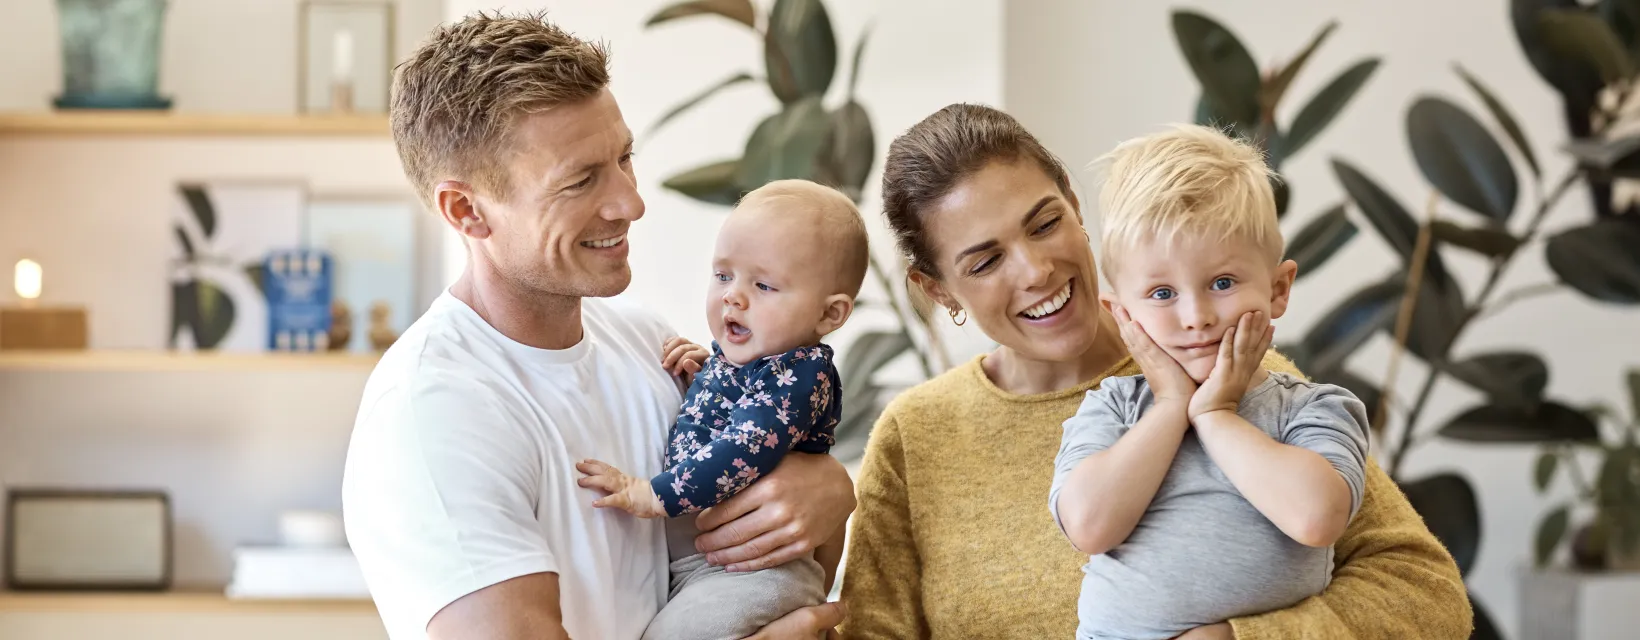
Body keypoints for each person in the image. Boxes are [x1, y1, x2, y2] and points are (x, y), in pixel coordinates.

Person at [838, 103, 1473, 639]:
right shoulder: (915, 438)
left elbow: (1428, 593)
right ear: (937, 290)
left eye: (1046, 222)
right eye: (984, 262)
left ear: (1074, 203)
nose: (1034, 271)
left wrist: (1239, 639)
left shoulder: (1238, 378)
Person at [340, 13, 852, 640]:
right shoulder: (433, 412)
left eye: (624, 157)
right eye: (581, 180)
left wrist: (829, 492)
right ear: (467, 210)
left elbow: (775, 574)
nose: (631, 203)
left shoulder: (649, 344)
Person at [1050, 125, 1370, 640]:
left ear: (1278, 289)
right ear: (1121, 313)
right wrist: (1172, 404)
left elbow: (1316, 518)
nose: (1196, 316)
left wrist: (1216, 415)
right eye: (1160, 293)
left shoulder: (1315, 409)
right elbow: (1089, 526)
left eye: (1222, 283)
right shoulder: (1113, 409)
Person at [577, 180, 870, 639]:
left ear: (829, 315)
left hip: (752, 576)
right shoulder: (749, 365)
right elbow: (735, 409)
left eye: (765, 284)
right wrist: (706, 376)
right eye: (723, 275)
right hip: (709, 569)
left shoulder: (802, 375)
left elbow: (744, 447)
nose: (734, 296)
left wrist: (652, 494)